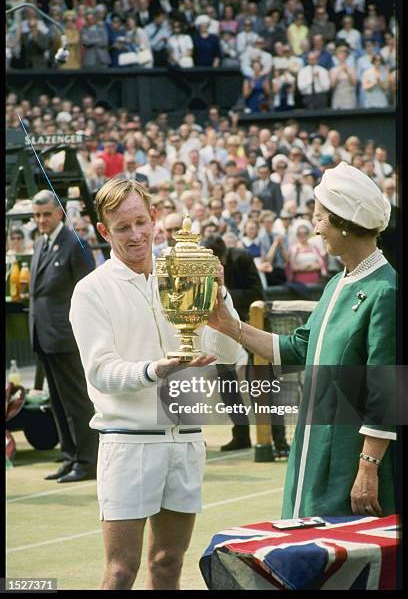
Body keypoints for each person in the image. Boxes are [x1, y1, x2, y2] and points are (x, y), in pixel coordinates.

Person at [69, 179, 241, 590]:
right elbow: (100, 372)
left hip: (186, 439)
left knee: (168, 563)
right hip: (127, 442)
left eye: (141, 223)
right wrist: (156, 370)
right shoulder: (90, 291)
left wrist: (221, 297)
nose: (136, 235)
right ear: (103, 232)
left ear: (155, 220)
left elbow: (231, 355)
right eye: (123, 227)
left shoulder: (182, 273)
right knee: (121, 571)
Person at [208, 161, 396, 518]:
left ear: (345, 222)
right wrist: (229, 325)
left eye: (321, 217)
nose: (315, 227)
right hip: (312, 453)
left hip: (349, 460)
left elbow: (385, 389)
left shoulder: (386, 291)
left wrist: (368, 465)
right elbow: (297, 349)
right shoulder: (336, 283)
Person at [29, 190, 98, 482]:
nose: (41, 220)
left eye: (46, 214)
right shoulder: (40, 243)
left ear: (59, 213)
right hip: (44, 333)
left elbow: (88, 291)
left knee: (76, 401)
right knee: (57, 402)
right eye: (37, 215)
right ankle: (70, 455)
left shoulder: (74, 243)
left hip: (67, 335)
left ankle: (87, 460)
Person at [202, 234, 264, 452]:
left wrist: (222, 294)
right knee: (227, 384)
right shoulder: (201, 266)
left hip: (252, 325)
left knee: (260, 382)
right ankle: (241, 434)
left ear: (224, 257)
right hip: (220, 330)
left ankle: (274, 437)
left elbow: (257, 292)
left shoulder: (243, 258)